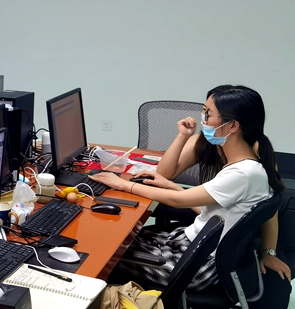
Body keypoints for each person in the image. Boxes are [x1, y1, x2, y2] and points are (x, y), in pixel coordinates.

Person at [90, 85, 286, 293]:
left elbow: (178, 202)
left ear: (233, 126)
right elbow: (213, 213)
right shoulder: (245, 165)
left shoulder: (243, 173)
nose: (203, 120)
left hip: (196, 264)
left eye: (208, 114)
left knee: (99, 253)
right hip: (192, 244)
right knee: (113, 238)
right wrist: (170, 185)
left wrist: (124, 184)